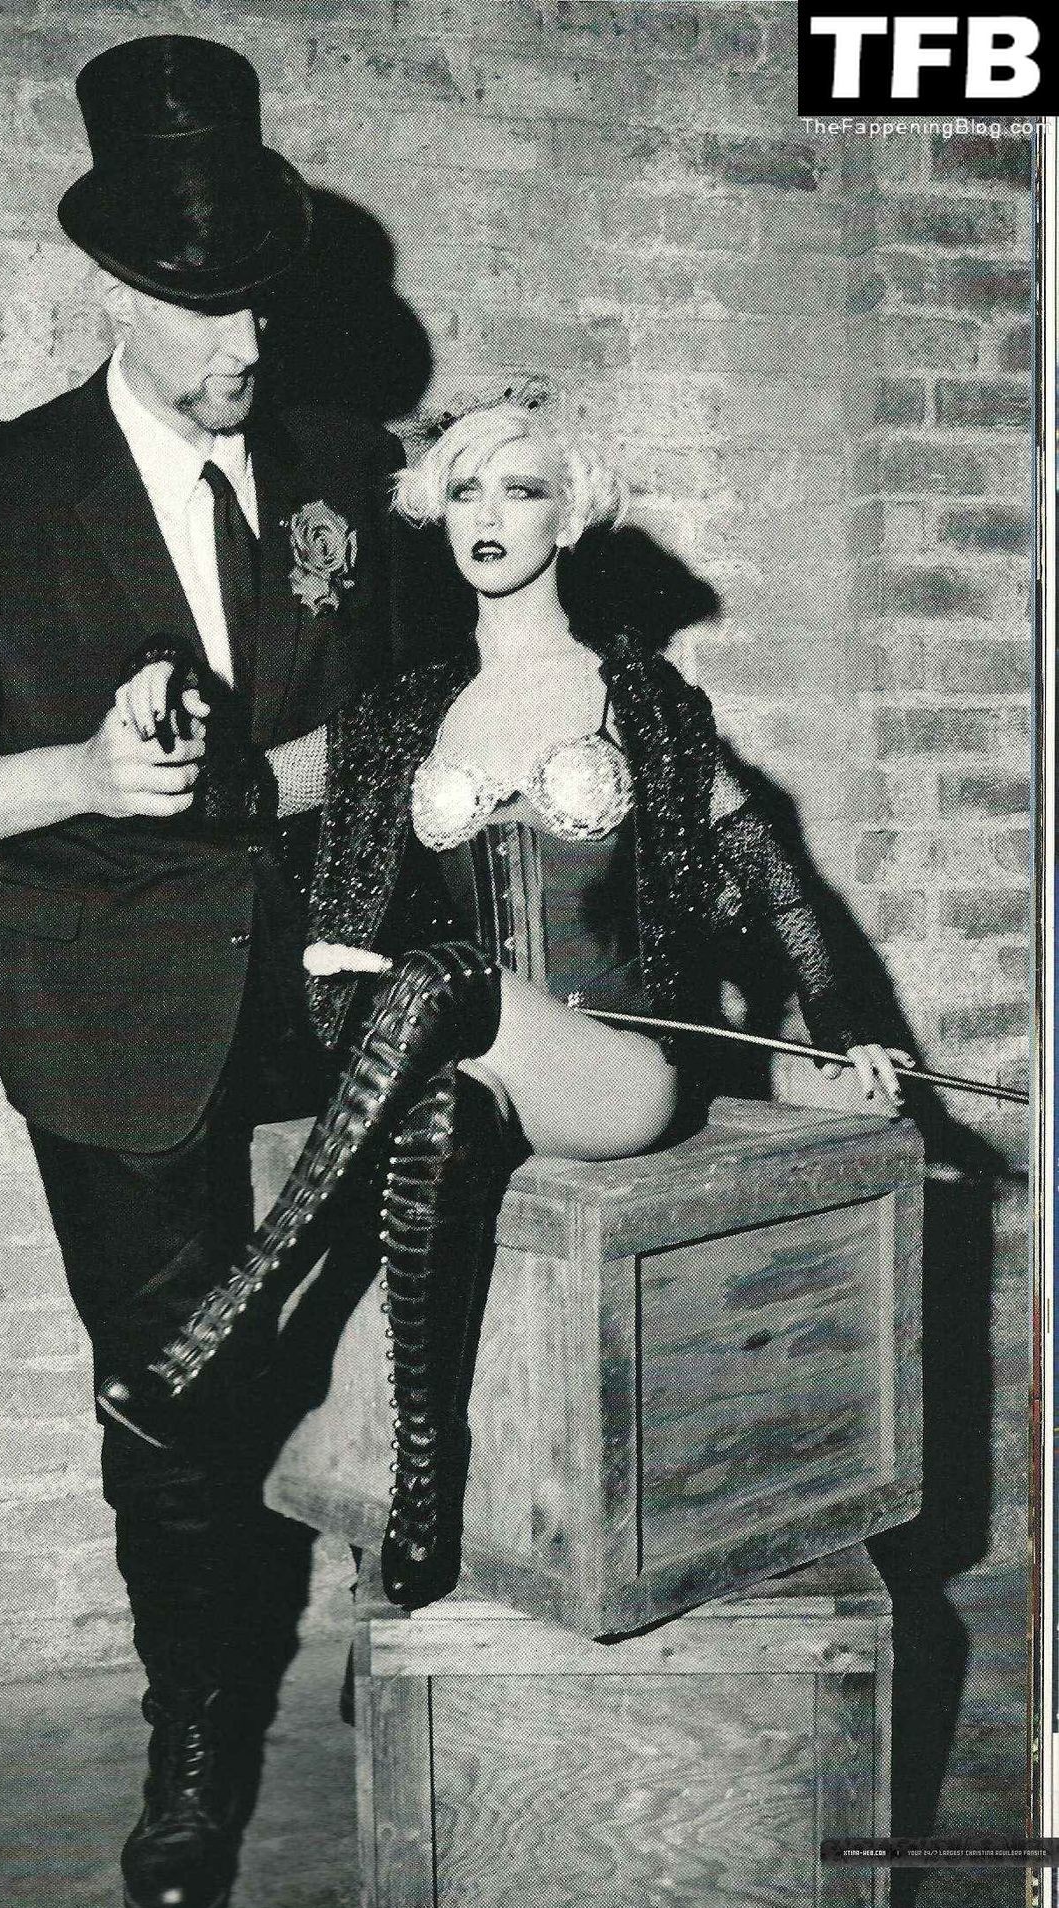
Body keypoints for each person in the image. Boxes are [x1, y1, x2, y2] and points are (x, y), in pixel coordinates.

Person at [0, 35, 411, 1908]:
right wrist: (78, 777)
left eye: (264, 298)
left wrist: (295, 777)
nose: (246, 340)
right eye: (202, 306)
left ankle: (418, 1655)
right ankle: (196, 1742)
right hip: (116, 1026)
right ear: (109, 292)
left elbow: (419, 711)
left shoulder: (345, 468)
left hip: (341, 996)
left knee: (401, 1345)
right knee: (172, 1410)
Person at [97, 383, 915, 1616]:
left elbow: (771, 874)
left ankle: (234, 1321)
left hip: (616, 1075)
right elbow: (239, 793)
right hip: (479, 1068)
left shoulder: (640, 701)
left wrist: (850, 1033)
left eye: (520, 490)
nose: (488, 515)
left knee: (444, 976)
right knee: (434, 1123)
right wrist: (154, 679)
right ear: (438, 514)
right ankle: (425, 1493)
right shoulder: (399, 716)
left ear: (566, 516)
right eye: (464, 490)